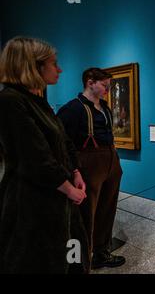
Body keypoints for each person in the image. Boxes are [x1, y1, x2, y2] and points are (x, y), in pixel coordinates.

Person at [0, 37, 88, 273]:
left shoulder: (37, 101)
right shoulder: (11, 101)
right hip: (32, 201)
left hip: (56, 196)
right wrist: (71, 190)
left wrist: (76, 171)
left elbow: (62, 140)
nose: (59, 69)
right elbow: (36, 158)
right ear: (33, 66)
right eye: (54, 63)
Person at [57, 68, 125, 270]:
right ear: (90, 82)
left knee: (107, 209)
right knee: (85, 214)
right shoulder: (72, 109)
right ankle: (80, 261)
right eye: (104, 85)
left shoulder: (104, 107)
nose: (107, 89)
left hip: (110, 160)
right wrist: (74, 170)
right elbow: (61, 142)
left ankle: (101, 251)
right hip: (88, 163)